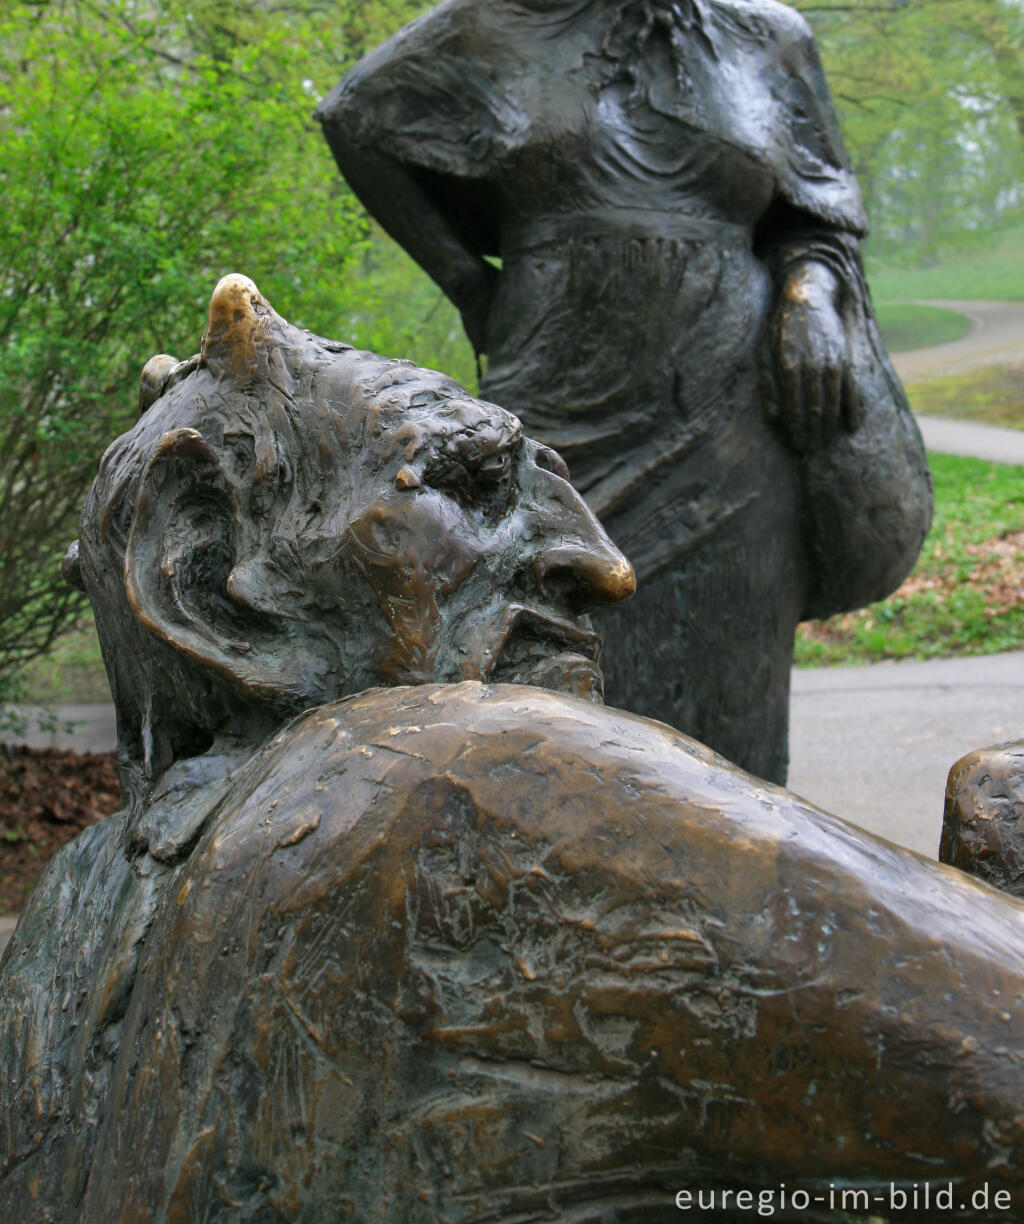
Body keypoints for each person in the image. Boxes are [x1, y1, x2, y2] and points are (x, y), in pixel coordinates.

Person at [0, 276, 1020, 1223]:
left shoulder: (77, 912)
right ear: (205, 576)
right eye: (476, 480)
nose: (606, 568)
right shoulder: (448, 788)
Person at [316, 0, 932, 784]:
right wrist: (470, 281)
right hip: (559, 414)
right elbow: (356, 119)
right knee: (552, 713)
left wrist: (809, 290)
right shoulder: (493, 21)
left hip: (734, 432)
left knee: (729, 744)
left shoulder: (767, 38)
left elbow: (818, 210)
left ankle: (728, 937)